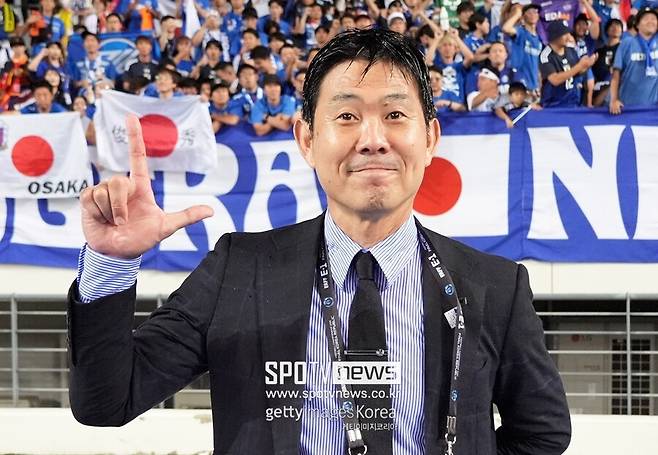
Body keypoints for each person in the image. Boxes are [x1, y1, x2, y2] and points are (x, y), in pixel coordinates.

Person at [68, 27, 571, 455]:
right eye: (346, 117)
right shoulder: (238, 270)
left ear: (430, 139)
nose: (372, 139)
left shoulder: (494, 287)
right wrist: (111, 264)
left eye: (395, 115)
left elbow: (542, 433)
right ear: (306, 140)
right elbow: (107, 401)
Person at [609, 7, 658, 114]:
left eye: (654, 19)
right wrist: (613, 100)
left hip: (653, 109)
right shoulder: (626, 43)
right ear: (637, 24)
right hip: (628, 107)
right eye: (646, 19)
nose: (650, 21)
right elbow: (615, 76)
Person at [539, 20, 598, 108]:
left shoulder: (571, 51)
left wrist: (587, 65)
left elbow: (576, 72)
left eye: (568, 33)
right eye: (564, 34)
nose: (568, 37)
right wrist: (580, 66)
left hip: (573, 102)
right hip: (554, 105)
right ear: (555, 35)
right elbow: (555, 80)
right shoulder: (546, 55)